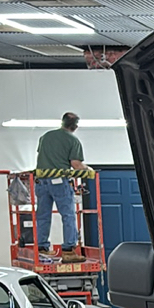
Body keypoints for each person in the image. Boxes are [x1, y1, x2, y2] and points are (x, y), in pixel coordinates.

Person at [34, 112, 90, 262]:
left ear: (62, 122)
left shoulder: (45, 136)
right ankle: (68, 251)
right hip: (59, 181)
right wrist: (88, 170)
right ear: (75, 126)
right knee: (68, 215)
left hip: (41, 181)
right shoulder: (73, 140)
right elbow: (76, 164)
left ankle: (42, 248)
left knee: (43, 215)